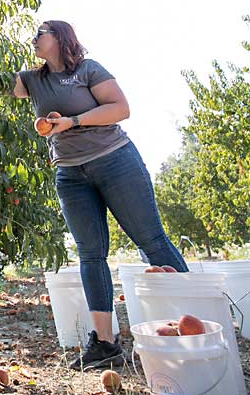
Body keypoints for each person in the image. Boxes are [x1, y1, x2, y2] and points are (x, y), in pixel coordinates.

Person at [12, 20, 187, 370]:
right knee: (90, 255)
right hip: (70, 173)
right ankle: (105, 343)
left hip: (115, 161)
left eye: (40, 33)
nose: (33, 39)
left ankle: (196, 322)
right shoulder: (30, 79)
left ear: (59, 37)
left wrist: (72, 122)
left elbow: (120, 109)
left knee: (150, 239)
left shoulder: (89, 70)